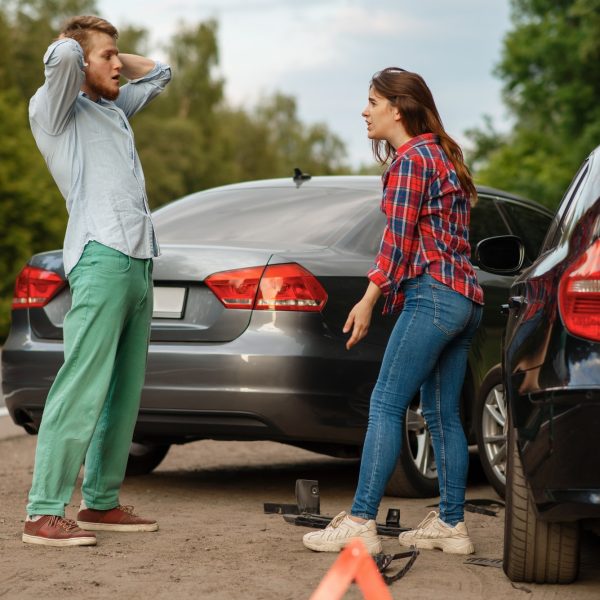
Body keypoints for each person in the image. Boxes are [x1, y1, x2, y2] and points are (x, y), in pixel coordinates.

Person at [302, 67, 484, 556]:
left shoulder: (410, 161)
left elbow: (397, 242)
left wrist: (367, 299)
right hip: (465, 299)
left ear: (397, 107)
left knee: (385, 403)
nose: (365, 111)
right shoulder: (444, 156)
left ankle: (361, 520)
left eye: (372, 101)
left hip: (433, 297)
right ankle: (451, 525)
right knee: (444, 415)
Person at [22, 15, 172, 547]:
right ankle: (43, 512)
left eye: (117, 55)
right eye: (106, 56)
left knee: (123, 392)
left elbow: (160, 74)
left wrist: (112, 56)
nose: (117, 63)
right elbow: (62, 59)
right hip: (101, 256)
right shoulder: (55, 110)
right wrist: (82, 47)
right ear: (80, 61)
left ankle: (100, 503)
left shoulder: (110, 107)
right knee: (82, 383)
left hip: (138, 261)